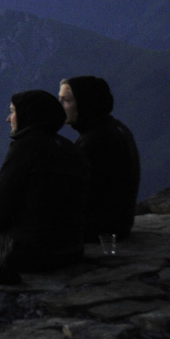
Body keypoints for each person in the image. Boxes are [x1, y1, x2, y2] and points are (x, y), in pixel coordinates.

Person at [0, 90, 91, 275]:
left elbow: (1, 203)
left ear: (27, 115)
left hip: (33, 252)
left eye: (12, 112)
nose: (8, 119)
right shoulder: (69, 148)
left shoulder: (25, 148)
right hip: (72, 250)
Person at [60, 75, 141, 239]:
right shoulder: (115, 128)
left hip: (98, 229)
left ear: (85, 102)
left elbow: (77, 194)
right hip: (118, 224)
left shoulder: (95, 141)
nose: (61, 106)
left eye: (67, 100)